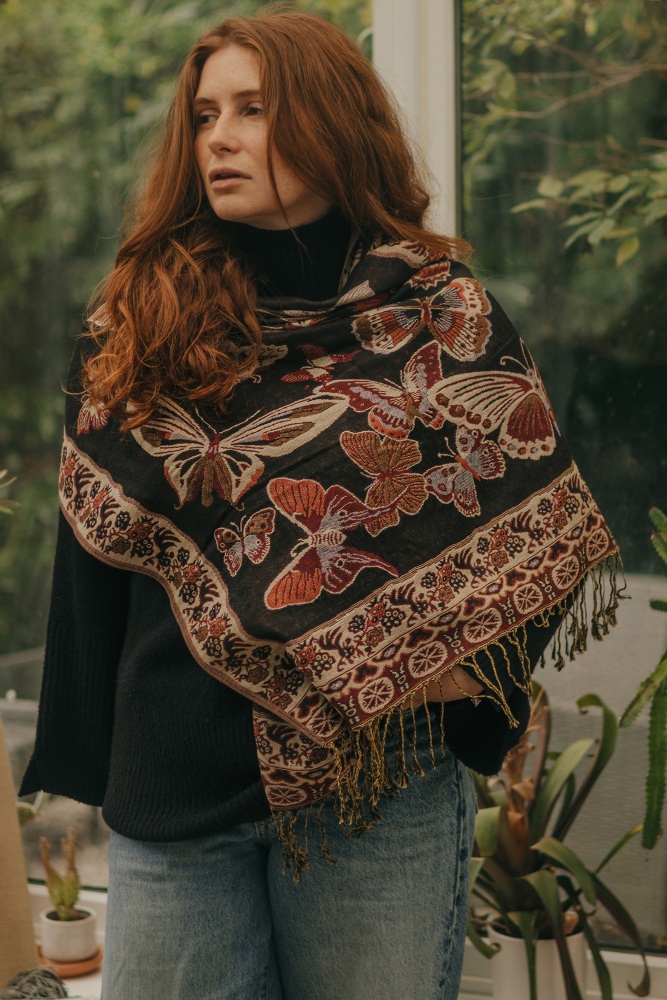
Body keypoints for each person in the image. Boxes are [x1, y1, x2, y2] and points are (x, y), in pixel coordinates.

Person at [20, 8, 622, 1000]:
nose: (218, 135)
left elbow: (540, 523)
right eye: (205, 112)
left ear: (331, 120)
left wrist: (457, 687)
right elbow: (90, 550)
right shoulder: (141, 316)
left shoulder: (441, 312)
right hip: (177, 793)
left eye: (253, 109)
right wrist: (85, 758)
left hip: (379, 789)